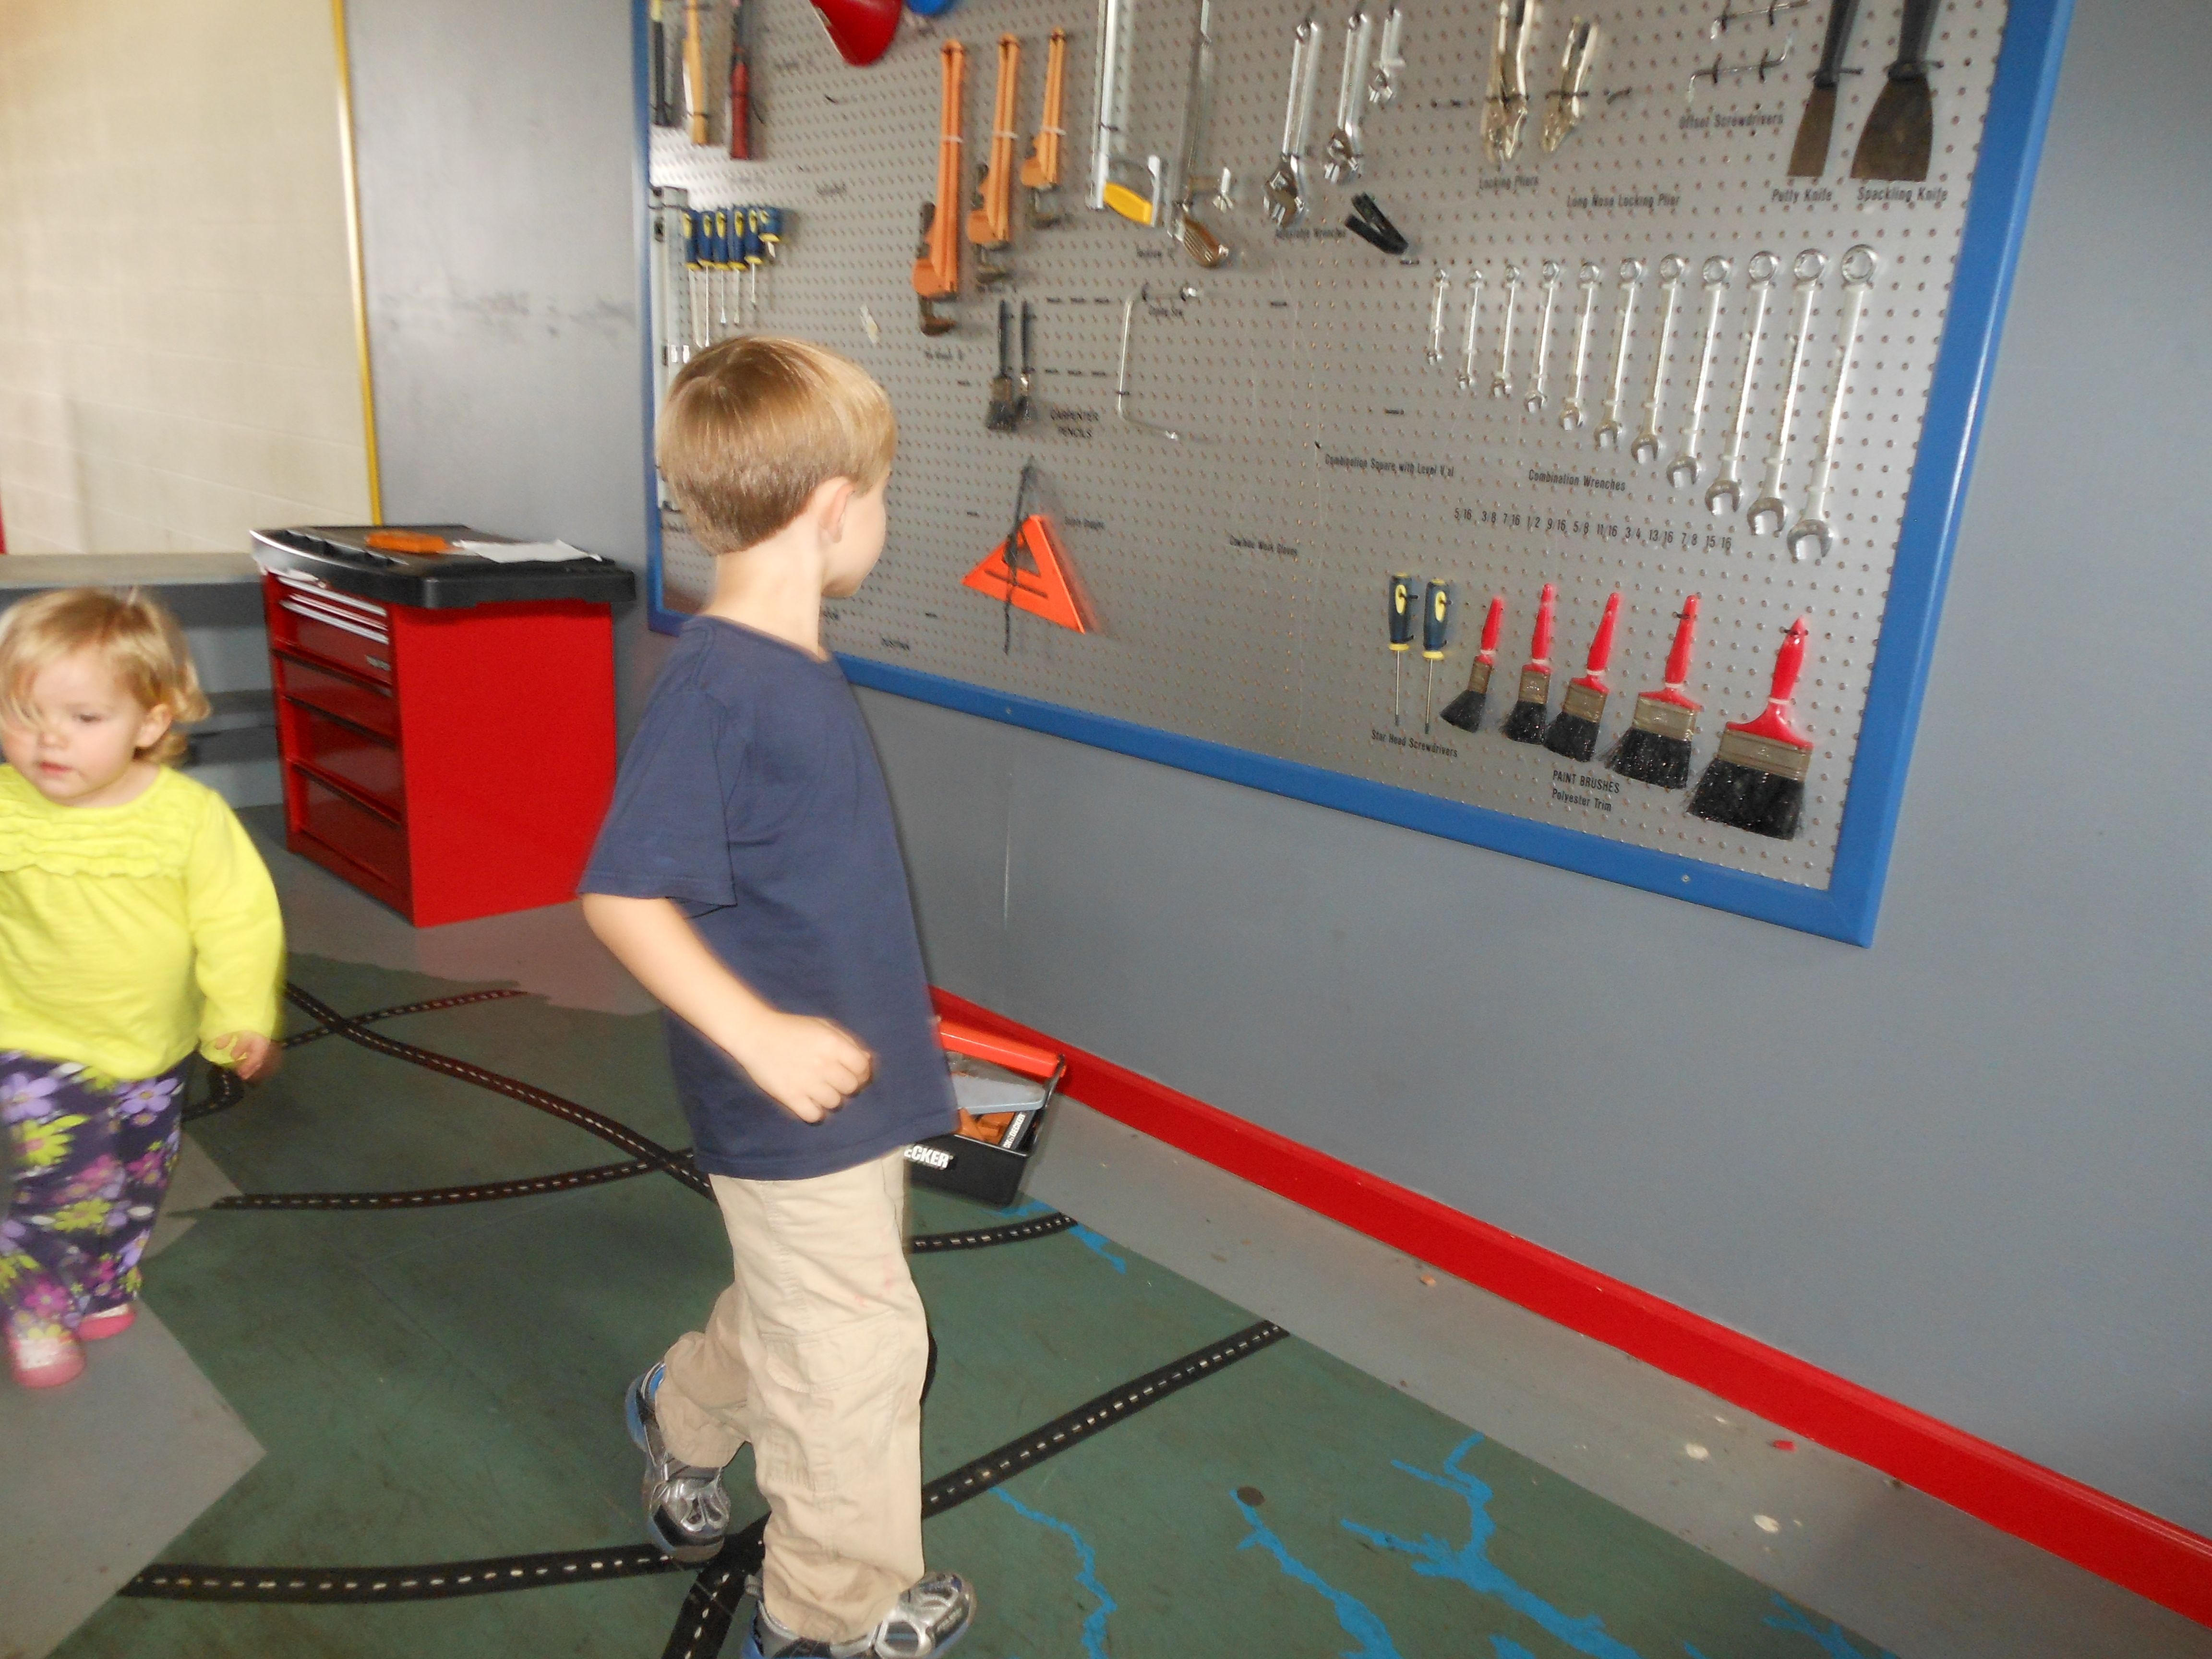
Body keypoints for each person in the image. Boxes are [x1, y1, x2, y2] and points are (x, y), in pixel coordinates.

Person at [579, 336, 971, 1659]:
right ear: (834, 508)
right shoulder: (725, 686)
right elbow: (623, 896)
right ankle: (825, 1620)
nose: (882, 517)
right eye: (883, 495)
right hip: (785, 1099)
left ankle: (683, 1412)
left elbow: (804, 891)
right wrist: (759, 1036)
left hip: (850, 1087)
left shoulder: (785, 664)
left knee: (811, 1307)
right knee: (857, 1357)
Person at [0, 587, 283, 1389]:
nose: (50, 739)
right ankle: (35, 1302)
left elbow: (236, 921)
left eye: (85, 718)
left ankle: (105, 1283)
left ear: (151, 723)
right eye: (23, 714)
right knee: (69, 1182)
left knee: (138, 1174)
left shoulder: (188, 817)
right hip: (34, 1039)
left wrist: (240, 1014)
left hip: (152, 1045)